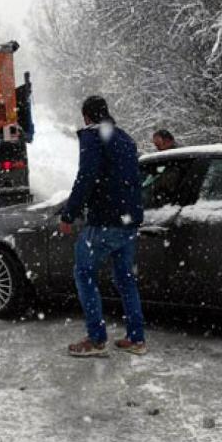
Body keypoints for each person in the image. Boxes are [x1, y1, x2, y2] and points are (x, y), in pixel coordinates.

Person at [60, 96, 147, 357]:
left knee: (84, 273)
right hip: (128, 221)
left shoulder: (93, 137)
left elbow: (86, 178)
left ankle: (96, 339)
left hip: (104, 221)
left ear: (87, 116)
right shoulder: (124, 138)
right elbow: (132, 179)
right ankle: (136, 338)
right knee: (126, 280)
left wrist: (68, 215)